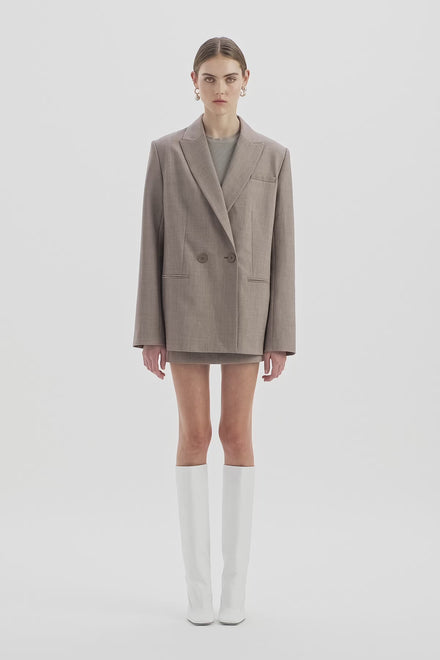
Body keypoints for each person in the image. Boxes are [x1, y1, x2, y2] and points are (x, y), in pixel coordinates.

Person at [133, 36, 296, 625]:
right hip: (185, 304)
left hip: (247, 309)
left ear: (247, 81)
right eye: (210, 78)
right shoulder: (166, 151)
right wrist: (151, 329)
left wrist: (280, 334)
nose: (220, 88)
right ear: (194, 82)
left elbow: (282, 251)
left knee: (237, 435)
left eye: (230, 78)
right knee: (195, 435)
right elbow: (151, 241)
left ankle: (234, 591)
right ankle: (198, 591)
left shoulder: (273, 155)